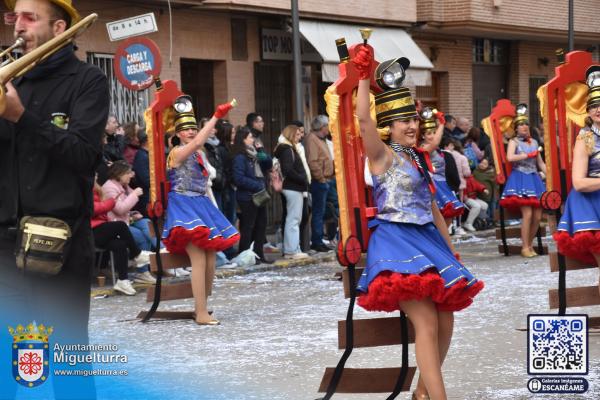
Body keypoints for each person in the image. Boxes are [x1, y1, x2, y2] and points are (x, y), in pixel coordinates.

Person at [352, 47, 483, 400]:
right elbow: (363, 120)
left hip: (428, 240)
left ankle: (423, 392)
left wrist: (451, 247)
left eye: (414, 119)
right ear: (389, 127)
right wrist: (364, 77)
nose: (412, 126)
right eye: (404, 121)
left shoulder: (418, 158)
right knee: (424, 322)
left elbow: (433, 207)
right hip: (395, 239)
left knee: (447, 318)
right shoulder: (381, 155)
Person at [0, 1, 109, 398]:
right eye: (15, 17)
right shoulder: (11, 81)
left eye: (30, 18)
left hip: (58, 243)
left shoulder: (87, 81)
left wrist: (21, 117)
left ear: (59, 27)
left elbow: (84, 156)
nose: (18, 26)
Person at [161, 95, 239, 325]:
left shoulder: (200, 155)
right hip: (183, 205)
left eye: (193, 128)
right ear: (176, 134)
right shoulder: (176, 153)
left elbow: (204, 182)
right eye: (185, 129)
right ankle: (201, 311)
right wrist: (216, 116)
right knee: (199, 258)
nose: (191, 132)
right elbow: (195, 144)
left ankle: (202, 306)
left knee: (211, 258)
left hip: (201, 204)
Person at [554, 66, 600, 295]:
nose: (598, 109)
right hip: (589, 205)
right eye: (593, 105)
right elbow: (579, 182)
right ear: (588, 111)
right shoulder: (586, 138)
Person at [498, 104, 547, 257]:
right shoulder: (514, 142)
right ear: (516, 128)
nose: (524, 126)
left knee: (538, 216)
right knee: (528, 214)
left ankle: (530, 244)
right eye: (521, 125)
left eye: (526, 124)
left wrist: (550, 176)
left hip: (534, 178)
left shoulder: (534, 143)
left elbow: (540, 163)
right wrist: (527, 155)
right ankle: (524, 247)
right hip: (520, 177)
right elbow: (510, 158)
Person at [92, 179, 153, 295]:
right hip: (89, 230)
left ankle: (122, 280)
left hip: (100, 226)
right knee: (121, 226)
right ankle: (137, 254)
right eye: (94, 174)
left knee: (120, 244)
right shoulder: (84, 188)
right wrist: (111, 202)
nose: (96, 176)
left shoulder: (97, 188)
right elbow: (93, 209)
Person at [419, 109, 464, 230]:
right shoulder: (423, 148)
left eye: (434, 132)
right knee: (437, 220)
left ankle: (442, 243)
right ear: (422, 135)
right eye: (429, 133)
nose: (433, 135)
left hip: (443, 184)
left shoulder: (437, 149)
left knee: (447, 218)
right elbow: (434, 143)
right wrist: (442, 124)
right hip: (433, 186)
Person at [232, 126, 271, 264]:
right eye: (250, 137)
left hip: (260, 195)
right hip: (247, 197)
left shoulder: (255, 153)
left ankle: (259, 255)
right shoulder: (240, 157)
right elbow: (238, 178)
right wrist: (257, 185)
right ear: (243, 139)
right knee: (249, 226)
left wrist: (260, 150)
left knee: (261, 225)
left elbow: (268, 164)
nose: (253, 139)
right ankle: (244, 255)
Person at [274, 125, 309, 259]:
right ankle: (291, 250)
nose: (299, 137)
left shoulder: (285, 149)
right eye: (296, 135)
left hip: (293, 187)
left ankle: (293, 248)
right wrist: (302, 180)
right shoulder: (288, 150)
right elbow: (288, 170)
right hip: (293, 187)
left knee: (293, 219)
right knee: (293, 219)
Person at [305, 115, 335, 252]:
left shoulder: (320, 139)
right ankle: (316, 241)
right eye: (327, 126)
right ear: (322, 127)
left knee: (325, 211)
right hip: (320, 182)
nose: (329, 129)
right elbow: (313, 161)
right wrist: (321, 179)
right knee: (318, 212)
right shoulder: (312, 139)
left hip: (327, 179)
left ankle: (322, 239)